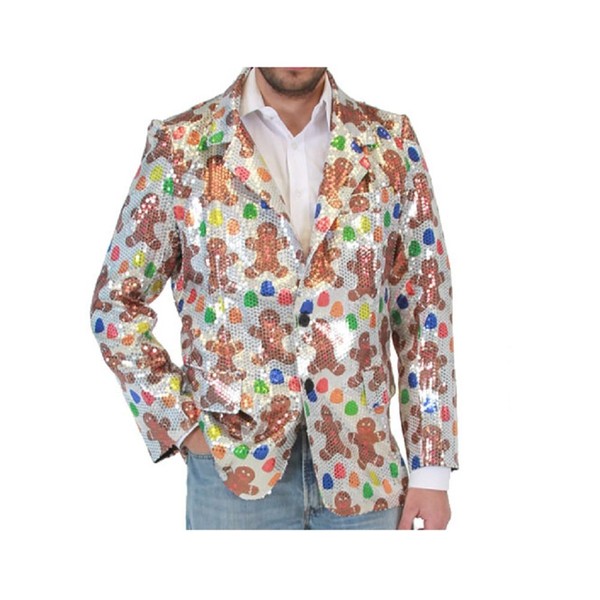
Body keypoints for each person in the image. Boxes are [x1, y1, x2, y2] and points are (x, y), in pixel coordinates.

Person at [90, 66, 459, 530]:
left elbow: (425, 307)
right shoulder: (183, 143)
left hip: (364, 468)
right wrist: (183, 424)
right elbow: (114, 306)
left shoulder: (388, 141)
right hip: (233, 471)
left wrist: (431, 471)